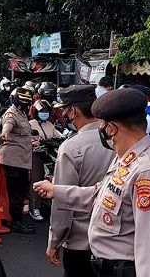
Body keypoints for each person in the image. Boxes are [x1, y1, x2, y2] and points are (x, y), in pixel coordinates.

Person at [34, 88, 150, 277]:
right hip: (107, 268)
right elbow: (100, 195)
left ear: (111, 128)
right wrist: (56, 191)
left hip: (126, 270)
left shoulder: (148, 172)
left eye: (101, 124)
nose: (99, 130)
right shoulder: (126, 160)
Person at [45, 86, 114, 276]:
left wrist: (54, 241)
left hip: (80, 243)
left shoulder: (71, 147)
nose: (65, 116)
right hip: (114, 241)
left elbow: (63, 201)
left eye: (65, 111)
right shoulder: (116, 140)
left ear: (73, 111)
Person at [0, 87, 35, 234]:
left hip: (21, 160)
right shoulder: (12, 114)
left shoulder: (22, 113)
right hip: (13, 161)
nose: (26, 106)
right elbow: (7, 126)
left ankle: (17, 219)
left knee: (20, 191)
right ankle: (16, 223)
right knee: (16, 193)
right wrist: (4, 134)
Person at [28, 99, 64, 223]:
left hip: (50, 156)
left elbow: (58, 137)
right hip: (36, 155)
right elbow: (30, 140)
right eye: (42, 111)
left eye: (46, 111)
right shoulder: (31, 124)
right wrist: (37, 142)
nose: (45, 113)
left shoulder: (50, 125)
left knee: (53, 179)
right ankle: (34, 208)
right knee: (36, 179)